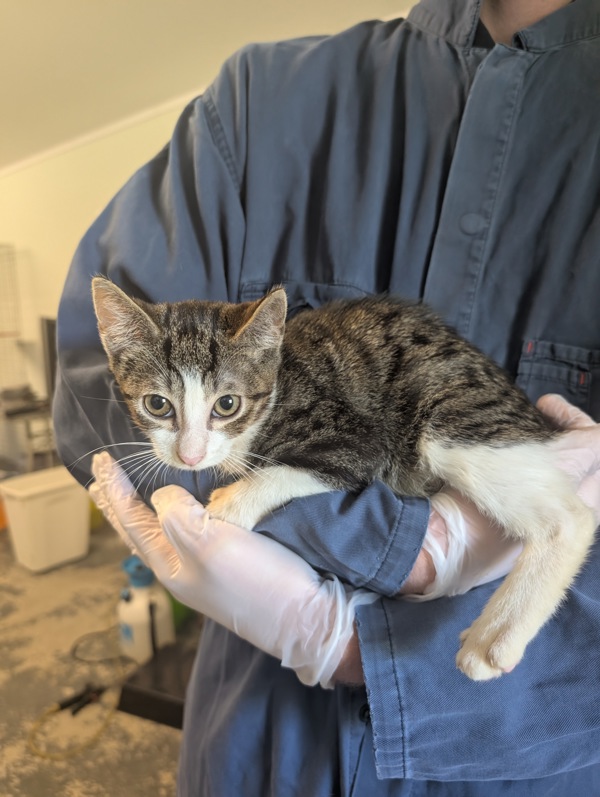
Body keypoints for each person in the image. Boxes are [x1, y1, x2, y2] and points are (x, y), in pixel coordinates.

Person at [53, 0, 600, 793]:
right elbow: (87, 381)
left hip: (523, 759)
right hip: (260, 749)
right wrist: (393, 552)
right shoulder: (257, 100)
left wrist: (365, 617)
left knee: (460, 445)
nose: (194, 446)